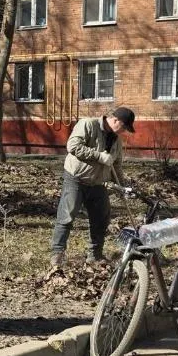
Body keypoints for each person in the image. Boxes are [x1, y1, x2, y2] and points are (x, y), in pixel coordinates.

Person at [49, 107, 136, 271]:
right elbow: (73, 146)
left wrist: (122, 186)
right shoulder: (88, 125)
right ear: (115, 120)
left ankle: (94, 255)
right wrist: (99, 156)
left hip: (98, 184)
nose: (124, 131)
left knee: (101, 219)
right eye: (124, 127)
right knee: (66, 217)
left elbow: (116, 165)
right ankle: (57, 255)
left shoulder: (116, 141)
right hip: (76, 179)